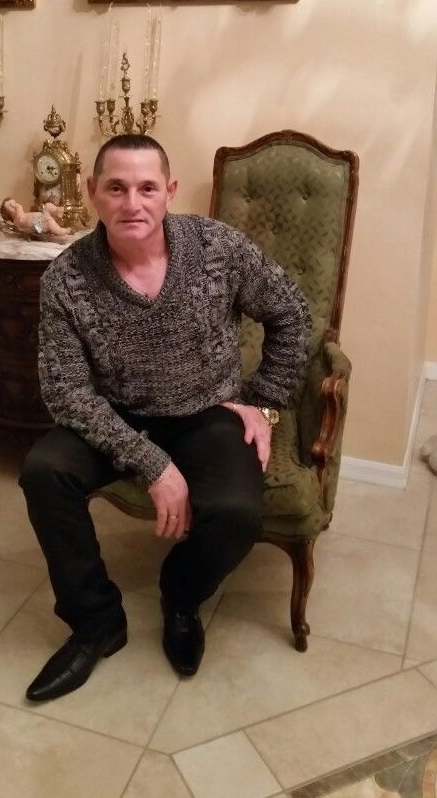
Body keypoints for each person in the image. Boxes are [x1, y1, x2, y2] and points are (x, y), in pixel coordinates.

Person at [19, 134, 311, 702]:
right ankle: (96, 621)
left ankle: (180, 595)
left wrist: (265, 402)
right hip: (114, 417)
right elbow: (66, 392)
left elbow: (292, 313)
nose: (133, 203)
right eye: (116, 188)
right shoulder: (65, 279)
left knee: (237, 513)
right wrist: (153, 465)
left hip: (208, 411)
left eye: (147, 188)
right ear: (92, 192)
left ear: (169, 191)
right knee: (44, 471)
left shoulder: (218, 248)